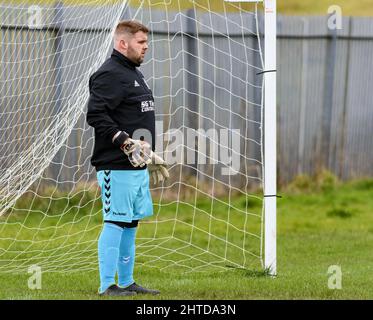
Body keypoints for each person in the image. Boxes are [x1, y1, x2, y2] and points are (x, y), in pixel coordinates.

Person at [86, 20, 169, 296]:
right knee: (115, 221)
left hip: (136, 166)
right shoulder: (109, 74)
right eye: (141, 42)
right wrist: (125, 143)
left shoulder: (133, 72)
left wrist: (148, 153)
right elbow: (96, 115)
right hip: (116, 165)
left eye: (146, 42)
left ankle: (127, 282)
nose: (146, 47)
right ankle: (107, 284)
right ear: (123, 43)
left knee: (130, 224)